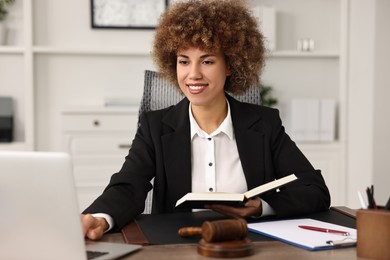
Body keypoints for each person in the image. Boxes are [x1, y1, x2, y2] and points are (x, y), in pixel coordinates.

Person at [81, 0, 331, 240]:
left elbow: (314, 190)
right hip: (175, 247)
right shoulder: (155, 127)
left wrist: (261, 207)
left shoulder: (265, 124)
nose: (193, 74)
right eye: (184, 61)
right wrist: (100, 218)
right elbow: (128, 186)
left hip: (248, 245)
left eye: (207, 61)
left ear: (230, 65)